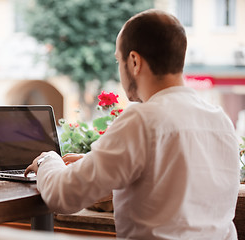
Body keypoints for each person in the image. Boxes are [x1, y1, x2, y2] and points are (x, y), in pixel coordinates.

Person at [25, 9, 240, 239]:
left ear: (134, 61)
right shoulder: (220, 121)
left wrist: (48, 159)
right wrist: (92, 161)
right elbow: (172, 176)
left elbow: (64, 196)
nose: (119, 69)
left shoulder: (142, 120)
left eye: (119, 60)